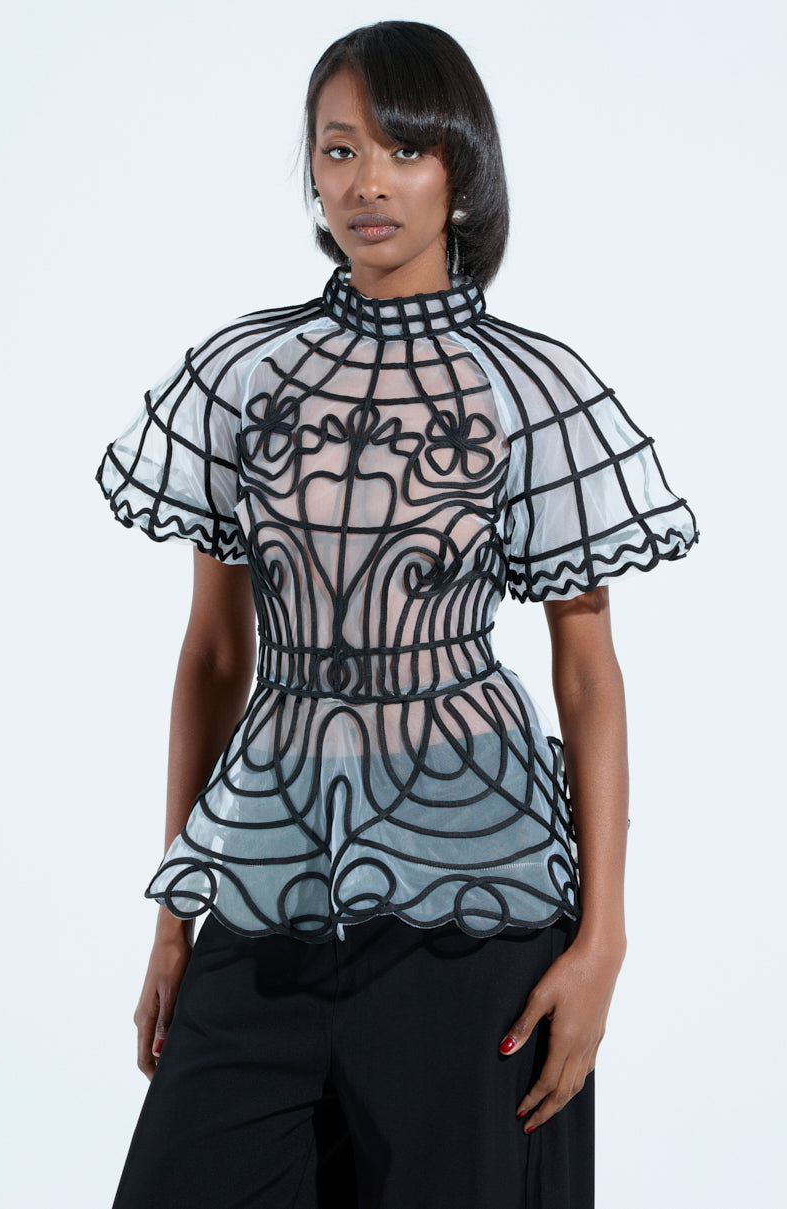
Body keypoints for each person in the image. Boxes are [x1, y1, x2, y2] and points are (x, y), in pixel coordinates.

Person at [95, 19, 700, 1209]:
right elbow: (214, 654)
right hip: (267, 889)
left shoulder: (533, 390)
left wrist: (602, 942)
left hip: (473, 908)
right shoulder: (243, 376)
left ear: (459, 171)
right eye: (337, 151)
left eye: (402, 150)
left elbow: (586, 674)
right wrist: (174, 919)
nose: (366, 181)